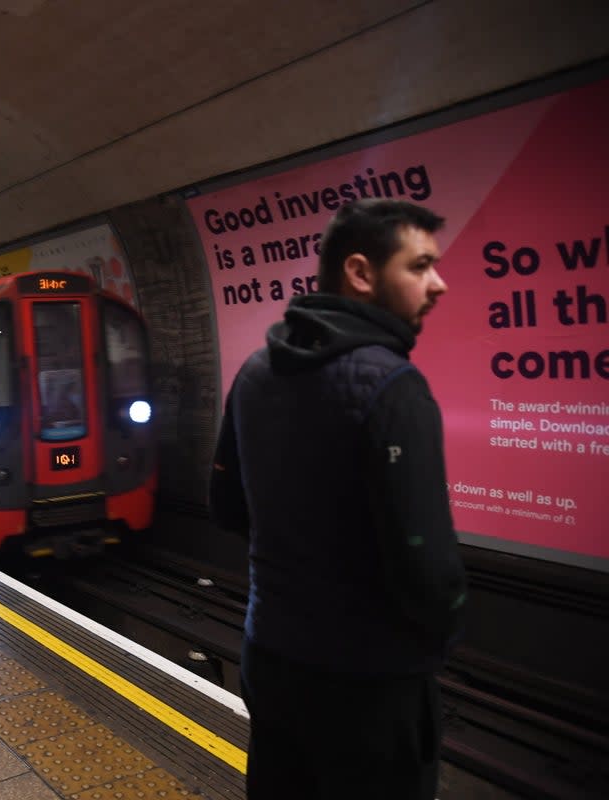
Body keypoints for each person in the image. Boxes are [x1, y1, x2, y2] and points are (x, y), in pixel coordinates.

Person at [209, 199, 467, 800]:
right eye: (421, 265)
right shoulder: (394, 387)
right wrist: (436, 640)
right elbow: (429, 570)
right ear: (360, 272)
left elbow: (225, 506)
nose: (439, 283)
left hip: (270, 657)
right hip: (371, 685)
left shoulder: (253, 372)